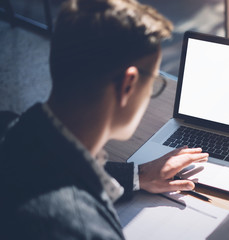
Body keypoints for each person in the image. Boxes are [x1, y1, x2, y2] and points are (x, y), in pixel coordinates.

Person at [0, 0, 208, 239]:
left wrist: (137, 176)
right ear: (127, 85)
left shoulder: (8, 127)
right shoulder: (82, 228)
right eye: (153, 83)